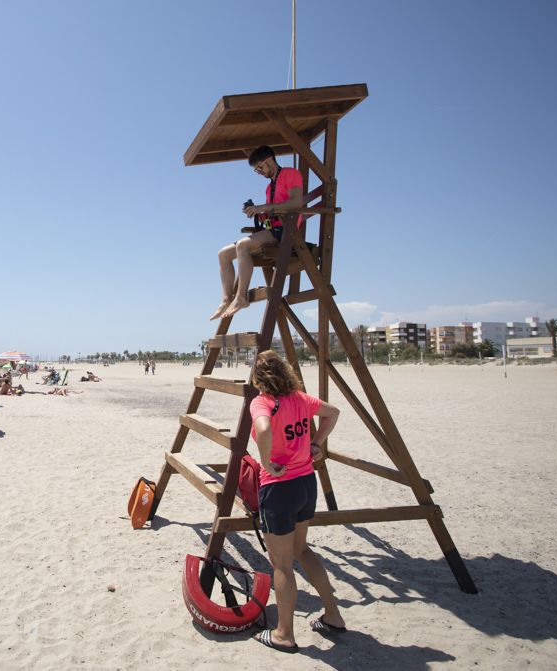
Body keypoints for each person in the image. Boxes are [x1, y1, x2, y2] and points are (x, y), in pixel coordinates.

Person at [249, 350, 345, 653]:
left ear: (259, 377)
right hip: (305, 483)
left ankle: (284, 634)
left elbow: (263, 428)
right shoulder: (300, 399)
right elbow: (334, 412)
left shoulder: (262, 401)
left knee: (281, 564)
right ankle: (333, 615)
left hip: (279, 488)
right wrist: (317, 444)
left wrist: (265, 460)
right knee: (301, 549)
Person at [210, 145, 304, 321]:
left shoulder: (290, 174)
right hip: (272, 230)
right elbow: (272, 214)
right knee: (223, 254)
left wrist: (264, 207)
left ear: (269, 161)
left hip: (286, 231)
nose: (259, 172)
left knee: (243, 246)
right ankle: (225, 300)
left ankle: (241, 297)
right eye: (257, 170)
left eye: (260, 167)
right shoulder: (269, 188)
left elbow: (297, 202)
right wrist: (258, 214)